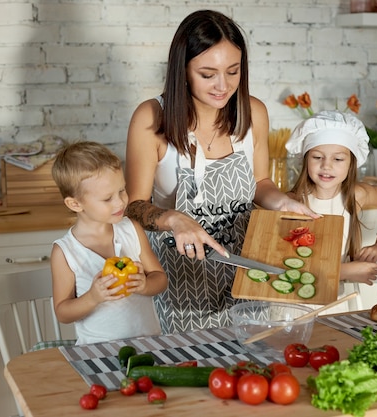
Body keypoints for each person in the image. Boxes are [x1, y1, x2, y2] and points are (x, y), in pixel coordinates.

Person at [125, 9, 317, 334]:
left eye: (233, 71)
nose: (222, 86)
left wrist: (282, 203)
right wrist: (174, 219)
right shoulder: (151, 118)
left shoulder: (252, 112)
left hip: (247, 278)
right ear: (183, 70)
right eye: (207, 73)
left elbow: (260, 182)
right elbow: (134, 207)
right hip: (179, 283)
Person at [50, 141, 168, 344]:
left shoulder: (131, 229)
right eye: (107, 199)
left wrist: (144, 285)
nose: (120, 202)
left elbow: (160, 279)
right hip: (97, 351)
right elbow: (63, 313)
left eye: (122, 190)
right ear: (75, 204)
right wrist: (93, 297)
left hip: (148, 344)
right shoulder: (65, 252)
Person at [286, 110, 377, 306]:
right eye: (317, 157)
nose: (326, 166)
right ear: (305, 159)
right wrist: (346, 271)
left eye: (338, 159)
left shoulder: (355, 195)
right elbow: (288, 266)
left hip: (337, 300)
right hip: (295, 304)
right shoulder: (291, 203)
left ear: (351, 163)